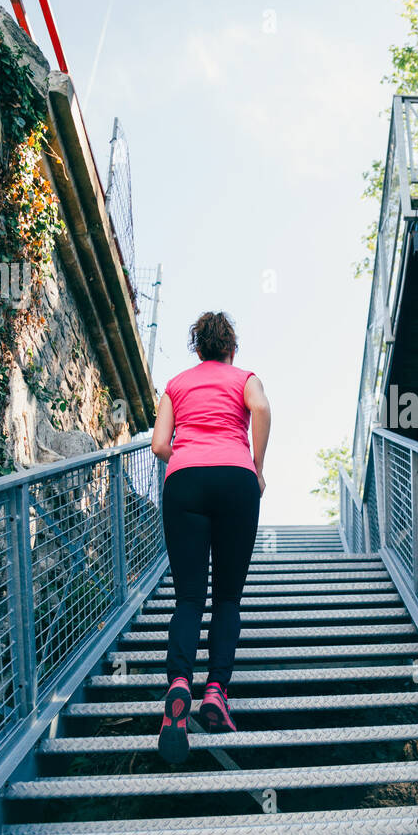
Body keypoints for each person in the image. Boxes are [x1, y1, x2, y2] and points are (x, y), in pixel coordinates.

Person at [150, 311, 270, 765]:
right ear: (231, 349)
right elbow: (261, 408)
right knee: (227, 599)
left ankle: (179, 683)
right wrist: (256, 466)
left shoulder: (176, 385)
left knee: (188, 598)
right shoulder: (245, 378)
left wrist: (188, 448)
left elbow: (160, 445)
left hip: (185, 483)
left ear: (197, 349)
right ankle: (216, 692)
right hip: (236, 481)